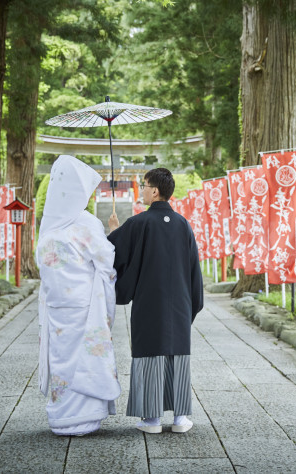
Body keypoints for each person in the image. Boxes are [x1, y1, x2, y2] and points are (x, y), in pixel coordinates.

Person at [107, 167, 204, 434]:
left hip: (150, 302)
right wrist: (193, 302)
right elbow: (194, 269)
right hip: (181, 303)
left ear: (155, 191)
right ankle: (180, 417)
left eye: (144, 184)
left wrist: (114, 230)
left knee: (150, 354)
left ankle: (151, 420)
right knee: (178, 356)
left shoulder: (138, 223)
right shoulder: (184, 224)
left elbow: (113, 251)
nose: (142, 188)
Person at [36, 155, 120, 436]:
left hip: (58, 304)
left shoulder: (49, 223)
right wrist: (114, 236)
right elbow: (106, 260)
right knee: (85, 356)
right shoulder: (85, 222)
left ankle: (62, 415)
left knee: (62, 357)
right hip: (84, 303)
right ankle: (85, 416)